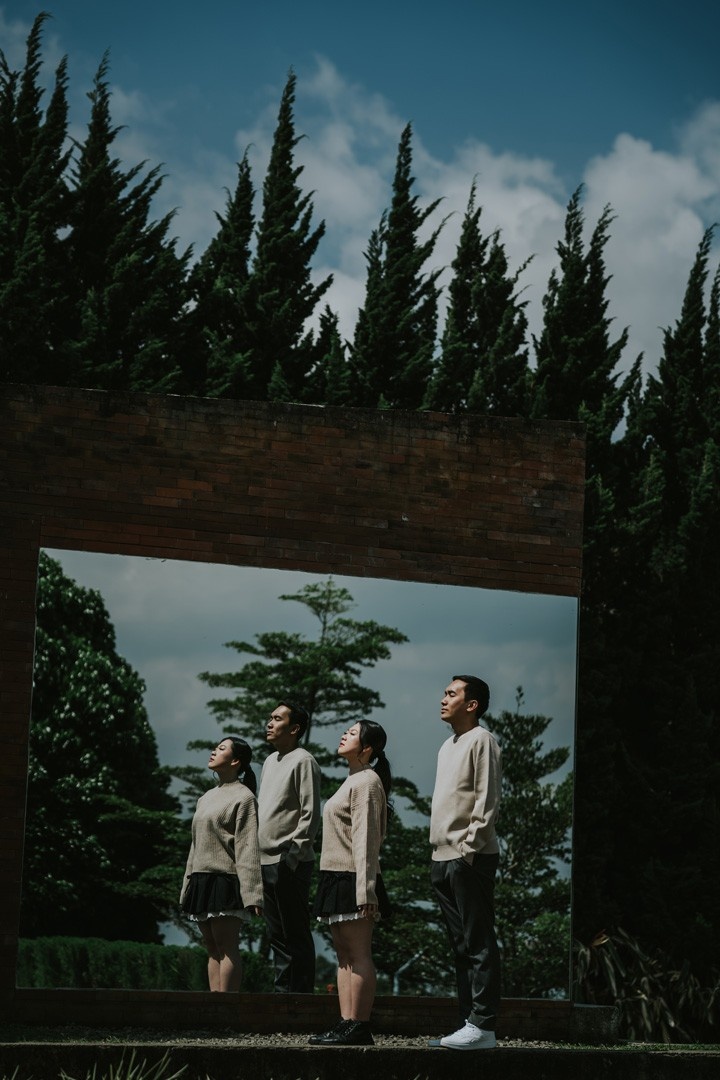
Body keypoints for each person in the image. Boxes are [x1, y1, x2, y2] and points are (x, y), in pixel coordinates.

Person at [429, 675, 502, 1051]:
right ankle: (466, 1024)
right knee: (460, 946)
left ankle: (483, 1026)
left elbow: (487, 800)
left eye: (451, 694)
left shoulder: (482, 739)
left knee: (478, 942)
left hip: (468, 856)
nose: (443, 699)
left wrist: (468, 848)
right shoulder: (447, 745)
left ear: (471, 705)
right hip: (441, 856)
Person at [308, 720, 392, 1047]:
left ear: (367, 748)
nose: (344, 734)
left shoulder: (368, 781)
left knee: (357, 953)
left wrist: (366, 888)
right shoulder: (352, 780)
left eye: (353, 733)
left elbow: (367, 839)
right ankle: (345, 1023)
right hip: (335, 875)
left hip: (355, 876)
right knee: (343, 955)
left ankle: (359, 1025)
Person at [179, 735, 263, 992]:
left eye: (222, 748)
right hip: (201, 878)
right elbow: (195, 846)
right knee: (212, 948)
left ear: (235, 761)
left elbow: (248, 848)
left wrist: (253, 894)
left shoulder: (244, 798)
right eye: (216, 747)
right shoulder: (205, 797)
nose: (214, 751)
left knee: (226, 947)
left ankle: (228, 1008)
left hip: (225, 880)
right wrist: (186, 887)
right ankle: (214, 1007)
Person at [258, 700, 321, 993]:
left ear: (294, 728)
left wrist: (293, 856)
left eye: (277, 718)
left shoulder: (303, 760)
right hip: (265, 859)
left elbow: (311, 812)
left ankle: (301, 998)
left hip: (288, 859)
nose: (269, 723)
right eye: (270, 717)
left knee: (294, 932)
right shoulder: (270, 761)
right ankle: (282, 996)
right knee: (276, 934)